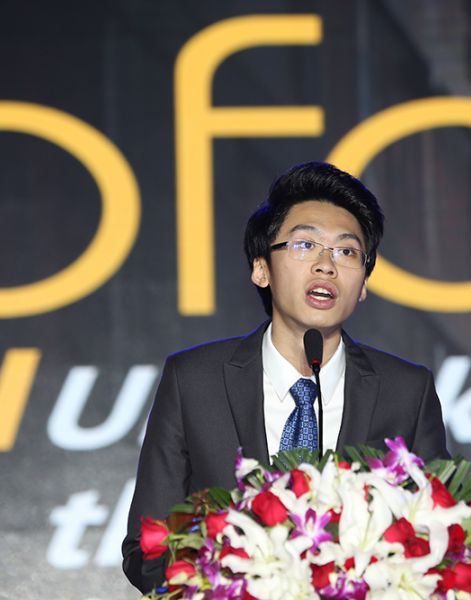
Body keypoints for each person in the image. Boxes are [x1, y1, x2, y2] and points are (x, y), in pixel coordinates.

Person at [122, 161, 449, 593]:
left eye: (347, 252)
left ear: (364, 284)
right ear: (261, 268)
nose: (326, 265)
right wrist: (237, 580)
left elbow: (442, 543)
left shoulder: (406, 391)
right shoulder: (195, 381)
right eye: (305, 245)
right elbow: (147, 552)